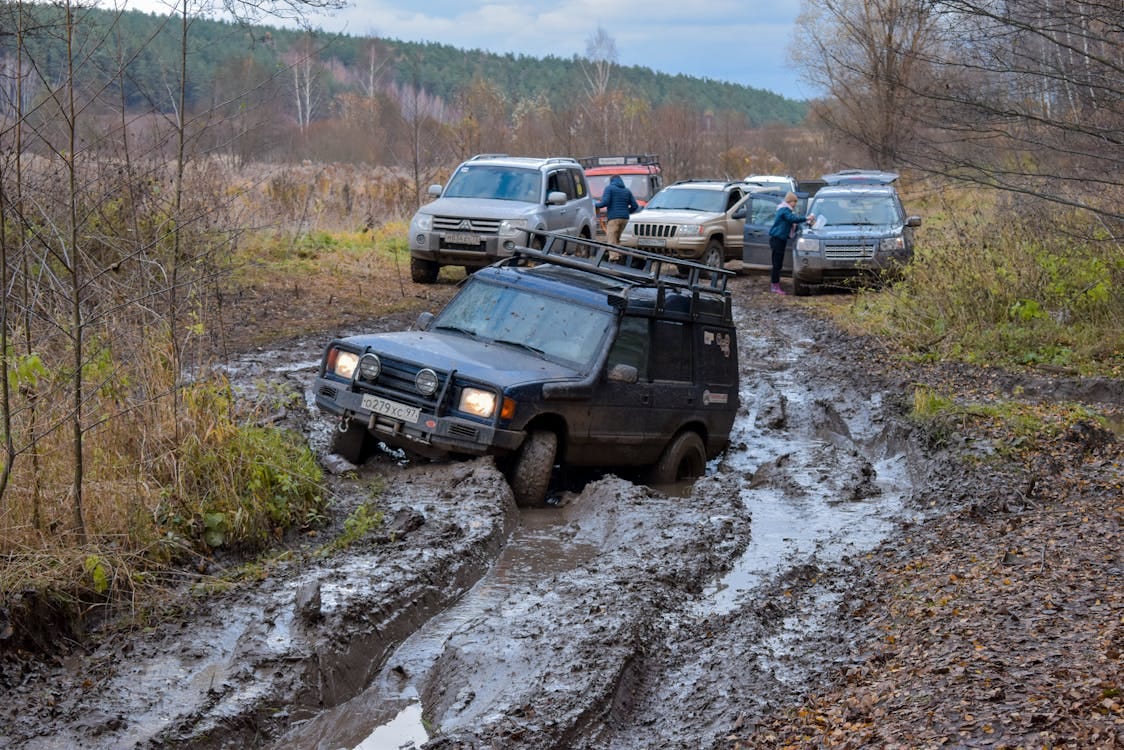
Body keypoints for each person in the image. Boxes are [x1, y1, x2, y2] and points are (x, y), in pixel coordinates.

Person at [767, 192, 814, 295]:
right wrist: (806, 218)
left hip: (779, 239)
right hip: (777, 240)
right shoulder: (785, 210)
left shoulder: (784, 209)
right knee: (777, 264)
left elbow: (793, 223)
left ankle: (775, 285)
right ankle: (775, 286)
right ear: (789, 201)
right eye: (794, 201)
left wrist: (805, 222)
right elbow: (792, 219)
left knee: (778, 264)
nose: (795, 203)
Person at [595, 175, 640, 248]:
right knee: (617, 239)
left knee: (611, 240)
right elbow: (635, 206)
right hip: (625, 219)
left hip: (613, 218)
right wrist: (626, 211)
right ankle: (618, 255)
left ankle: (614, 258)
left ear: (611, 181)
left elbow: (604, 202)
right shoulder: (627, 190)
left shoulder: (609, 188)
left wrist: (595, 205)